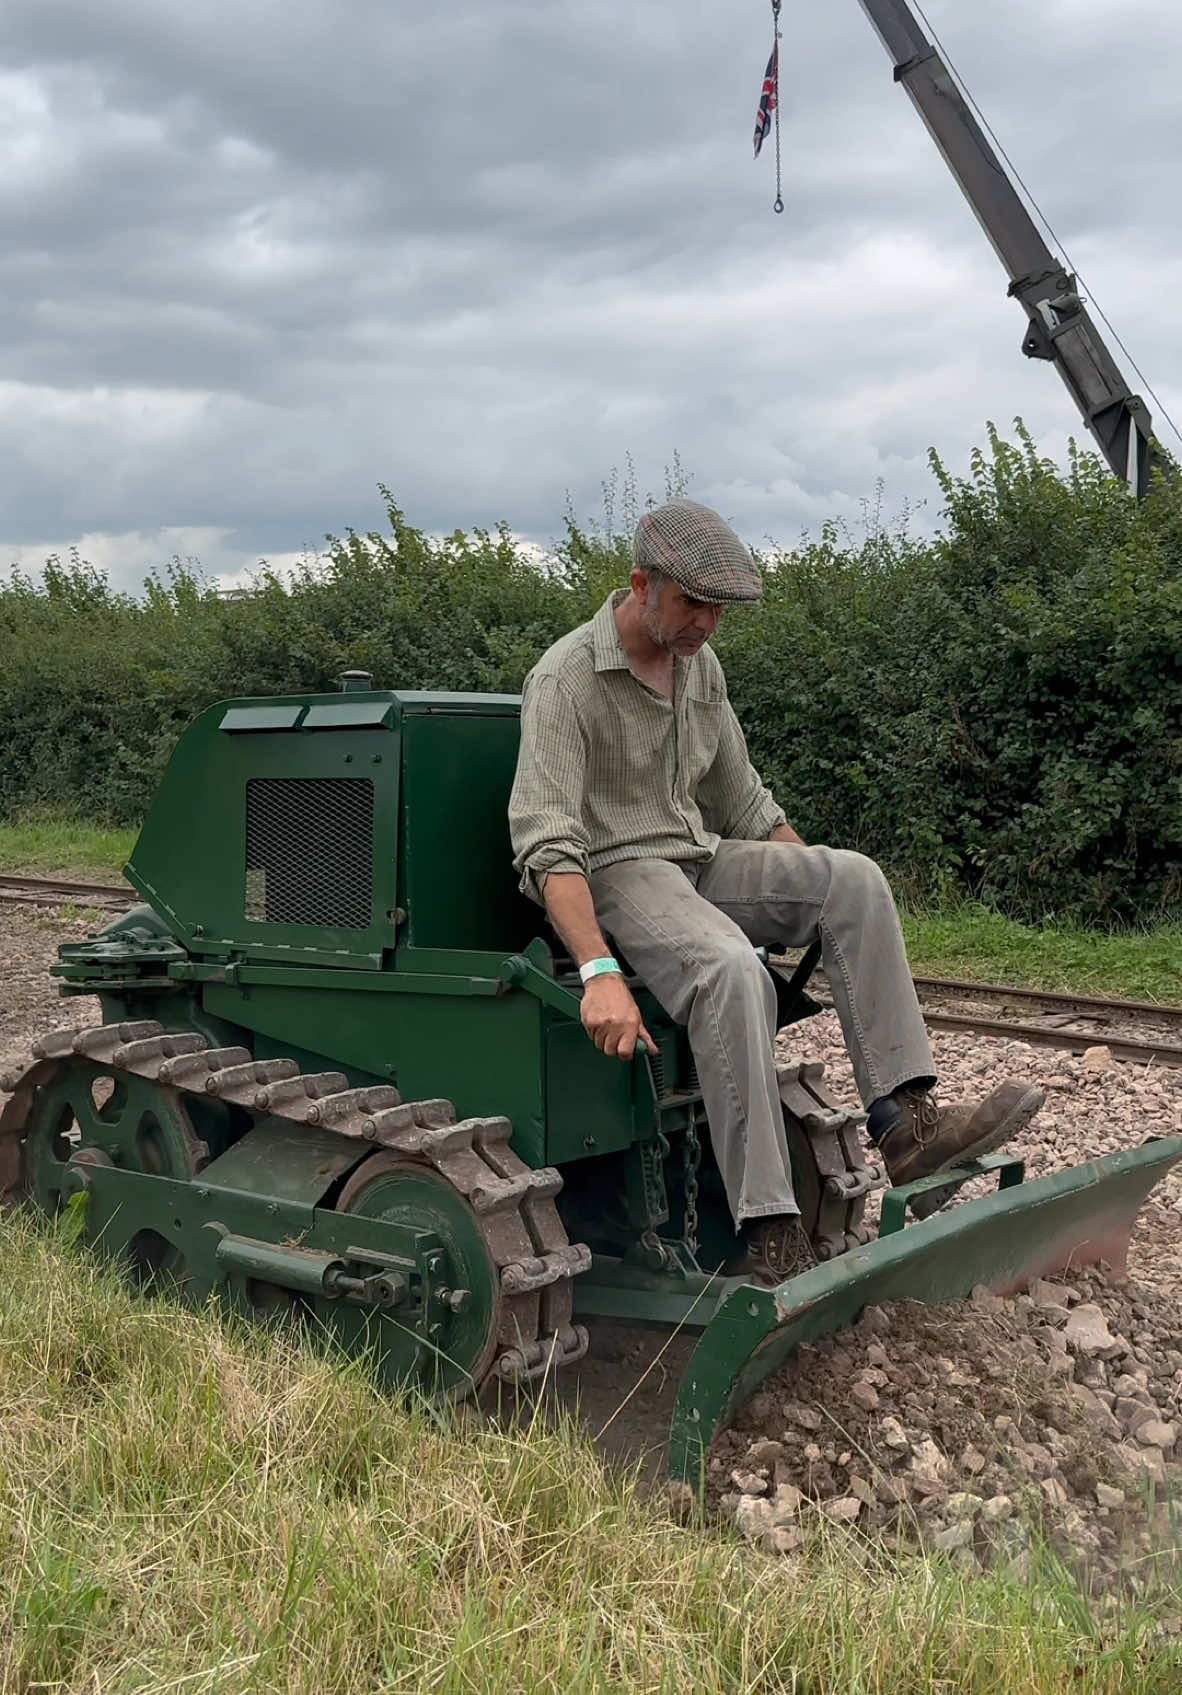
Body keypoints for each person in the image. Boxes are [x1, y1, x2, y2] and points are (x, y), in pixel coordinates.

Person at [509, 498, 1043, 1282]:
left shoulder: (700, 670)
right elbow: (547, 844)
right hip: (617, 871)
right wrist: (597, 973)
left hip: (701, 855)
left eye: (718, 610)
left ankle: (907, 1127)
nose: (706, 626)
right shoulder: (564, 681)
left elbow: (746, 804)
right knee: (730, 965)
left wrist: (809, 888)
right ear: (640, 584)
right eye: (693, 603)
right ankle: (770, 1228)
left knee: (852, 878)